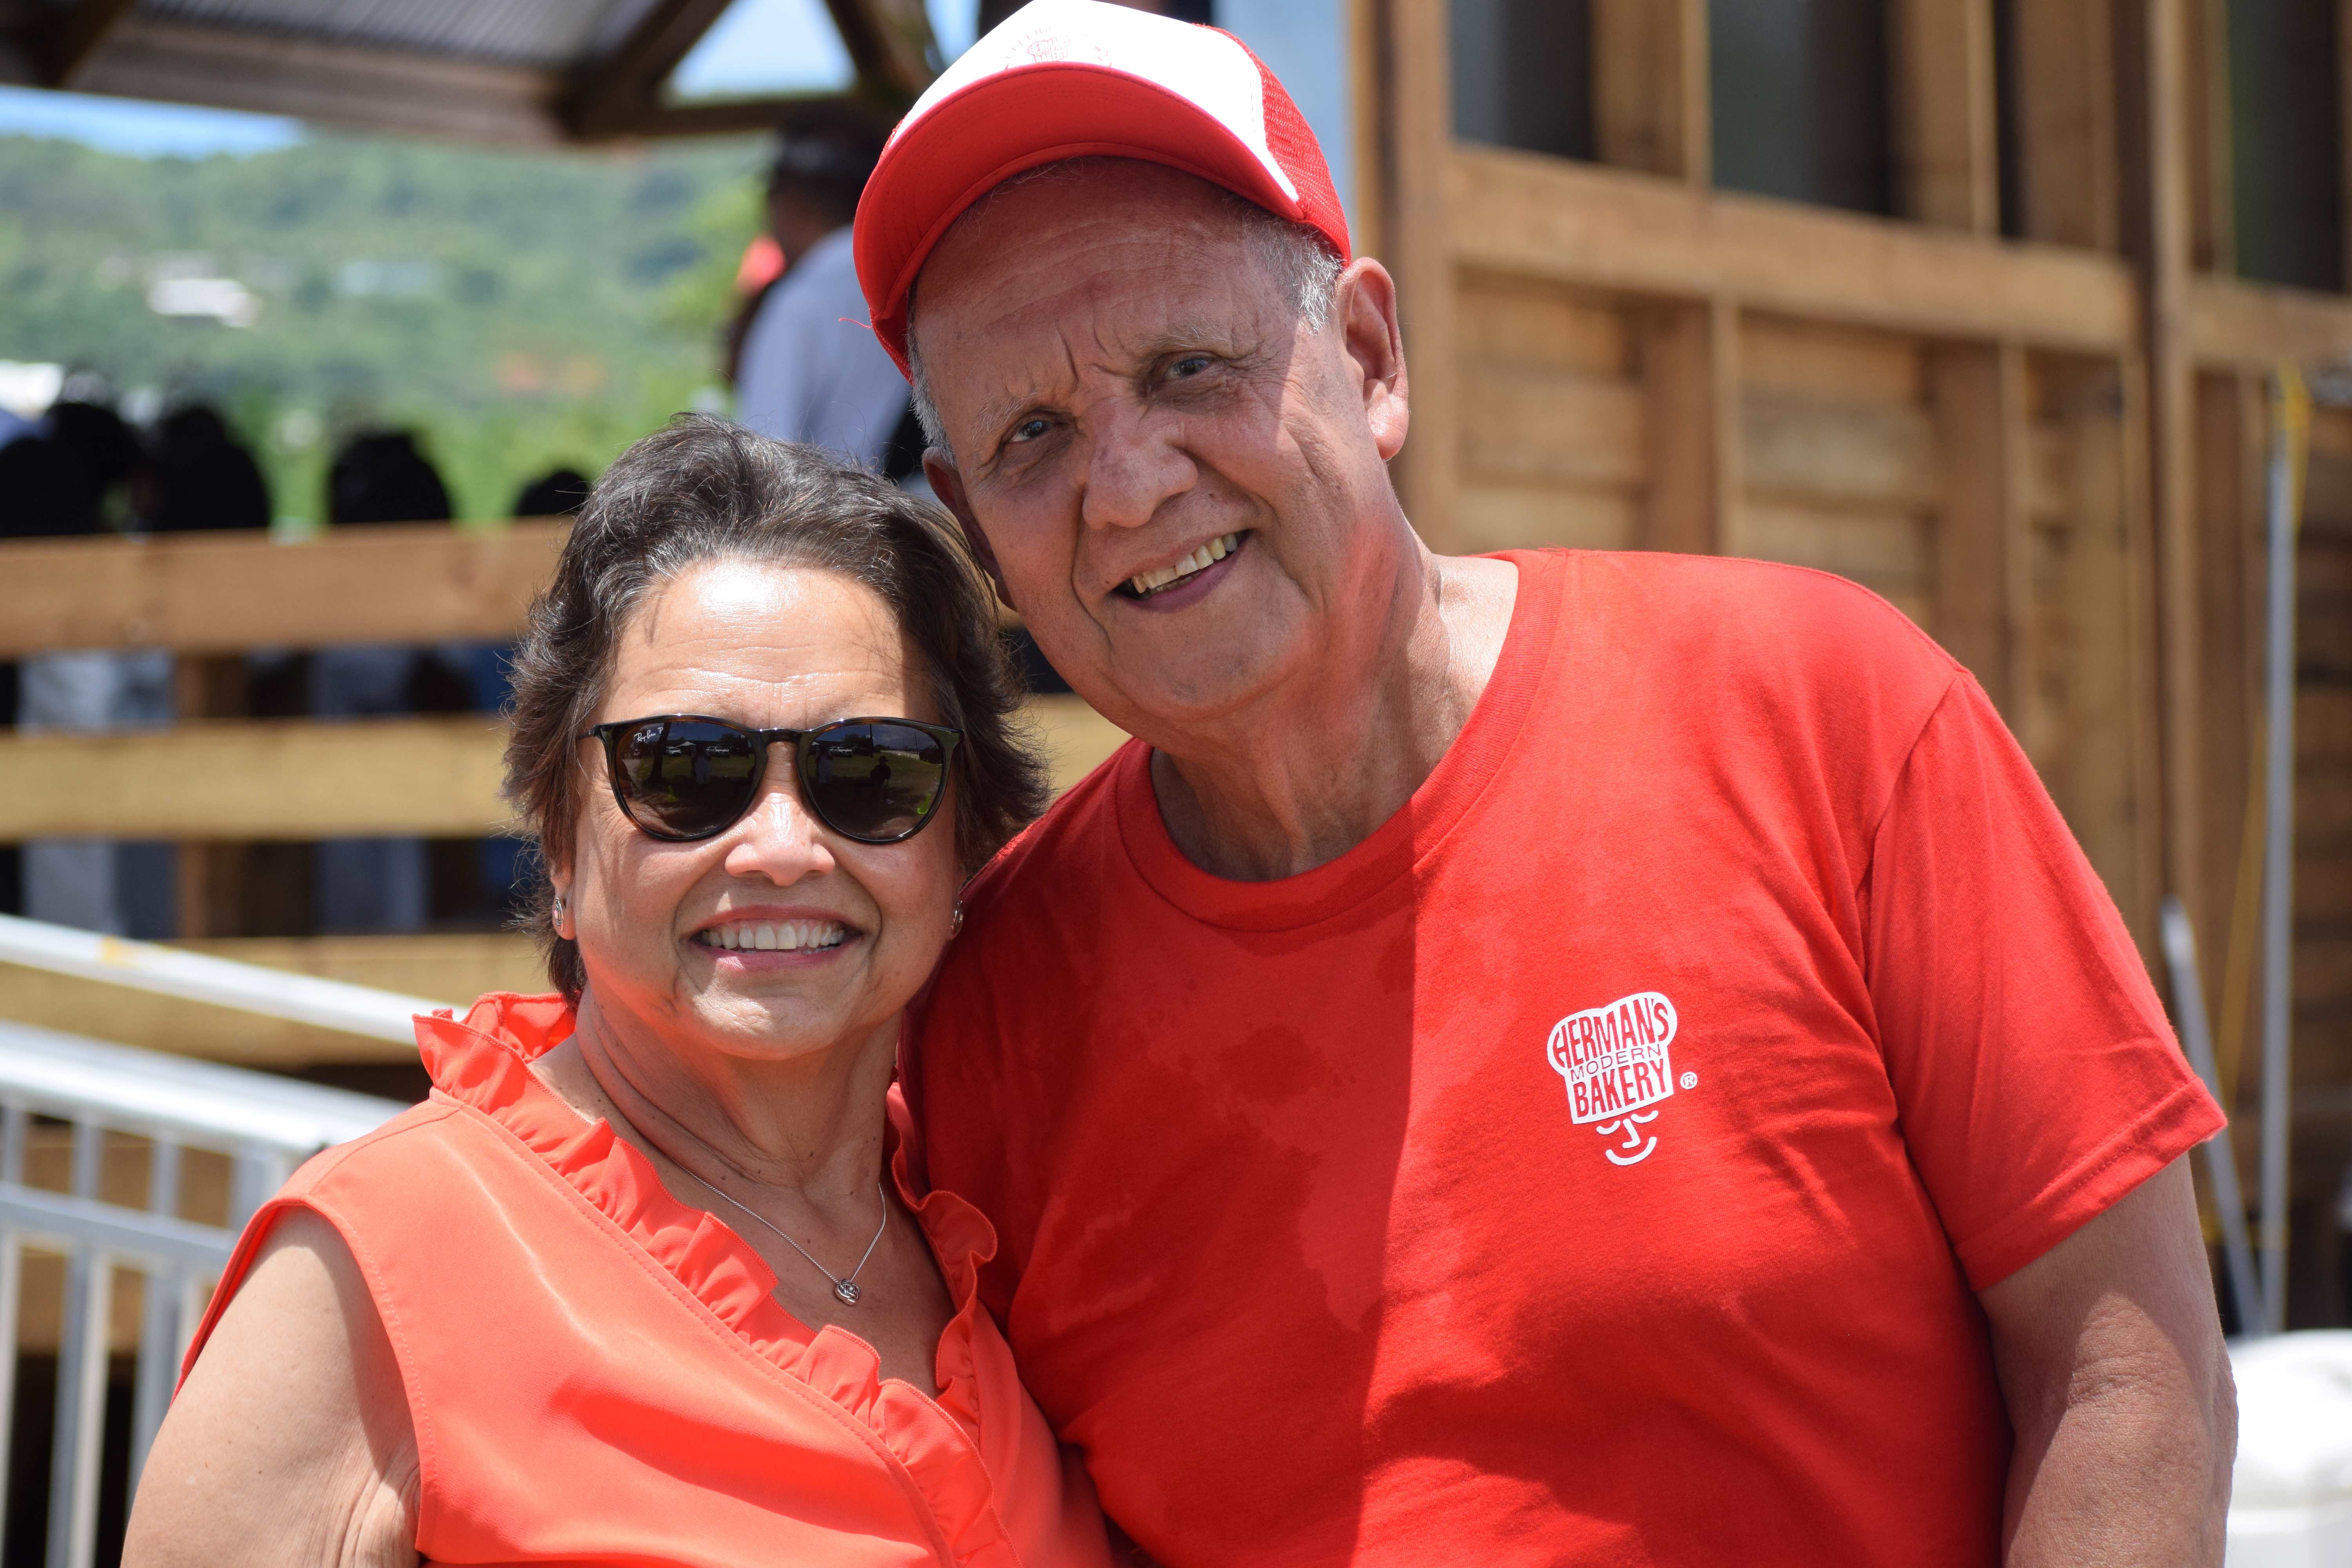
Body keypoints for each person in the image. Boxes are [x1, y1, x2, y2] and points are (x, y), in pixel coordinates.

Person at [856, 3, 2236, 1564]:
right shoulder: (984, 1023)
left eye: (1190, 365)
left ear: (1370, 360)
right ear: (975, 525)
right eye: (1036, 434)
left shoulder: (1818, 712)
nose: (1129, 482)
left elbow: (2124, 1366)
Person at [127, 420, 1112, 1567]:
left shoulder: (1004, 1216)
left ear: (961, 852)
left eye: (869, 772)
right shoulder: (382, 1270)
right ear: (556, 845)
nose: (783, 846)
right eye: (685, 769)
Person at [309, 430, 456, 933]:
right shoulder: (323, 583)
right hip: (353, 721)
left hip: (389, 716)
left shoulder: (329, 576)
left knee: (373, 869)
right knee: (383, 870)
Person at [733, 103, 924, 483]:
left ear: (789, 202)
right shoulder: (909, 288)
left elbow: (763, 466)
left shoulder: (800, 303)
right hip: (911, 519)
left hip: (826, 531)